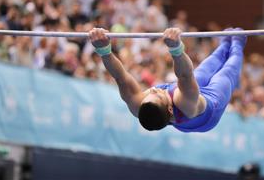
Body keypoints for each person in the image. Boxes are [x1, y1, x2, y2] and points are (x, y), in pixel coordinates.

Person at [89, 27, 246, 132]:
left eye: (150, 92)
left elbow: (120, 77)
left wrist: (103, 50)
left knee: (206, 67)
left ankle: (225, 42)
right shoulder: (184, 103)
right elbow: (185, 75)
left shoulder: (138, 104)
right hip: (209, 112)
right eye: (157, 94)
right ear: (170, 109)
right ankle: (238, 42)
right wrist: (176, 49)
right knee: (227, 72)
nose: (155, 89)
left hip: (186, 100)